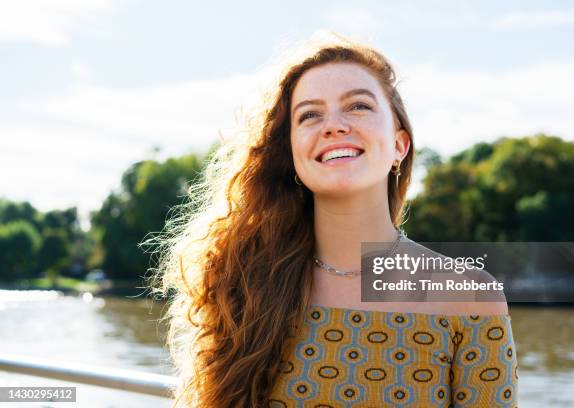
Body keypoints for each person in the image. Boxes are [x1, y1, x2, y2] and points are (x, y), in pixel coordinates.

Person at [149, 32, 519, 407]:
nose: (334, 125)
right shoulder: (243, 282)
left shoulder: (470, 298)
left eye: (358, 106)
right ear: (291, 151)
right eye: (310, 115)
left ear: (398, 146)